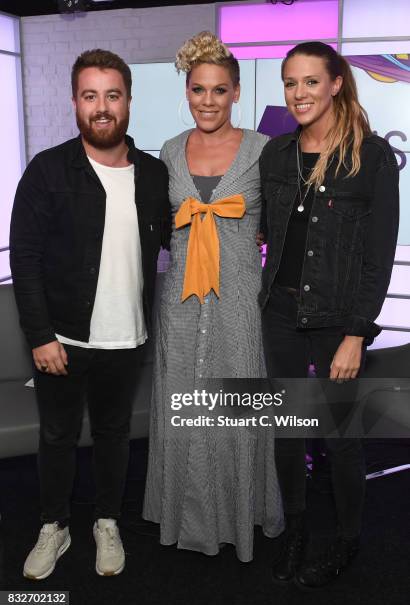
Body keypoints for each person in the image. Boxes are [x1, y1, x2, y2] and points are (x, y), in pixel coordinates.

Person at [10, 49, 170, 579]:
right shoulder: (48, 170)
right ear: (75, 102)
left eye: (112, 95)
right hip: (63, 338)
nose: (102, 107)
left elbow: (179, 238)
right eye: (90, 96)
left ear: (128, 100)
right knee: (56, 436)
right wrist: (40, 335)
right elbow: (25, 258)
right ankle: (54, 526)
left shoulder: (153, 174)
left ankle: (107, 522)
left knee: (113, 435)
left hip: (127, 338)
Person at [259, 42, 399, 587]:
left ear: (336, 83)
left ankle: (346, 540)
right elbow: (268, 233)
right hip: (280, 314)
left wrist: (356, 334)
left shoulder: (371, 157)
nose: (299, 94)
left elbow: (377, 257)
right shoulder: (277, 154)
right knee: (288, 431)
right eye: (291, 83)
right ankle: (295, 530)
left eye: (311, 82)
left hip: (338, 320)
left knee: (341, 436)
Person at [143, 31, 284, 562]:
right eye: (198, 90)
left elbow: (281, 224)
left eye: (219, 90)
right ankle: (185, 519)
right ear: (187, 92)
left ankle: (242, 514)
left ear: (236, 92)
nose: (208, 100)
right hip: (180, 307)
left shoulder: (263, 151)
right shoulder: (171, 151)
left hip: (240, 306)